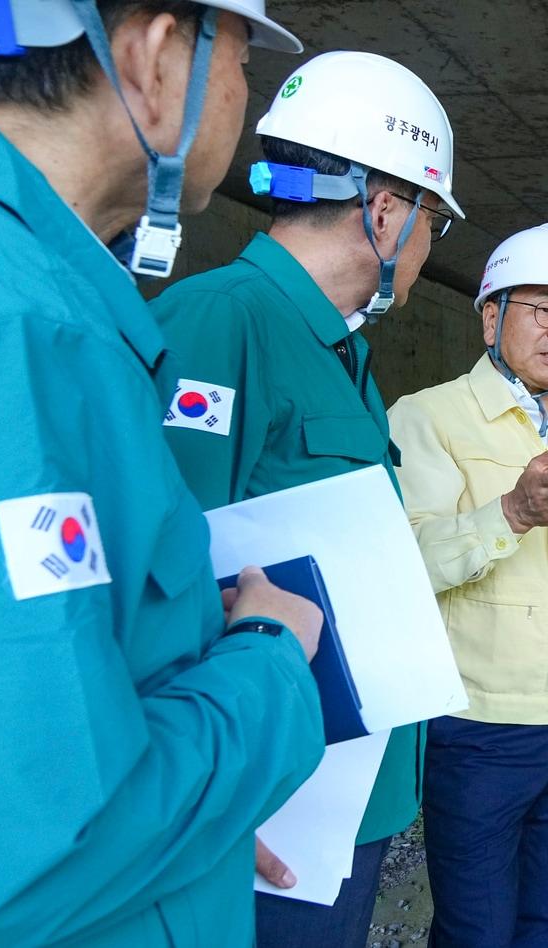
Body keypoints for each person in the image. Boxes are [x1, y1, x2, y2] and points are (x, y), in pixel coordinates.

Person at [0, 2, 329, 946]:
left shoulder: (39, 297)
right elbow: (43, 847)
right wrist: (269, 658)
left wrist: (194, 819)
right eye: (244, 63)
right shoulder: (15, 330)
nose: (244, 104)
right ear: (155, 54)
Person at [150, 50, 463, 948]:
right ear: (387, 209)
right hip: (263, 800)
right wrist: (210, 796)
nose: (427, 242)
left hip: (342, 787)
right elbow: (156, 587)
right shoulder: (221, 321)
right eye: (432, 219)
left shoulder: (341, 350)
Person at [387, 223, 548, 947]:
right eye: (541, 309)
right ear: (490, 315)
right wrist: (509, 513)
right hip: (480, 731)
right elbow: (403, 561)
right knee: (476, 929)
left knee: (547, 923)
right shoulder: (428, 418)